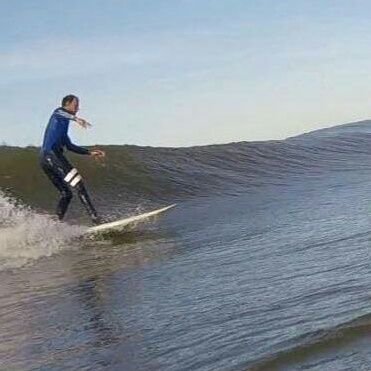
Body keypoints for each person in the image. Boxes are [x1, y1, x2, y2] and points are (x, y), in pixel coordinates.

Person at [40, 94, 105, 224]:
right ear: (67, 104)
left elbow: (70, 146)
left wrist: (90, 152)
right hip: (52, 156)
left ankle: (54, 224)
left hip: (44, 159)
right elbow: (61, 113)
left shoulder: (62, 129)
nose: (77, 108)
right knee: (79, 184)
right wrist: (76, 119)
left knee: (66, 193)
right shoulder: (57, 113)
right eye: (75, 105)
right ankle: (95, 218)